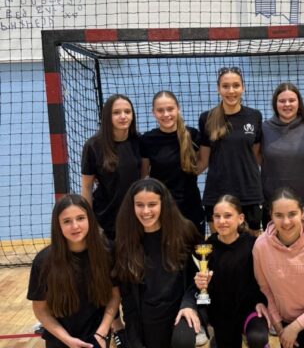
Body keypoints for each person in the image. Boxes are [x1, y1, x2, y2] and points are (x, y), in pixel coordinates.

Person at [113, 178, 201, 348]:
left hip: (179, 311)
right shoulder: (125, 243)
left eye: (152, 204)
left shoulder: (184, 231)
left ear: (163, 204)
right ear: (132, 206)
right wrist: (134, 340)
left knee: (182, 341)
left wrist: (189, 304)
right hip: (146, 317)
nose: (146, 211)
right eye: (140, 205)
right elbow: (128, 299)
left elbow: (198, 277)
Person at [27, 194, 120, 348]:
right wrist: (67, 340)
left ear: (90, 219)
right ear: (58, 225)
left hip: (97, 335)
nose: (75, 226)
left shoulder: (108, 251)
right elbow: (40, 309)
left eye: (80, 218)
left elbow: (114, 296)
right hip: (60, 339)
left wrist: (101, 333)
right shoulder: (43, 261)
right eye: (67, 221)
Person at [253, 187, 304, 348]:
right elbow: (265, 289)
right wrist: (279, 328)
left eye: (292, 214)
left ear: (302, 213)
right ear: (271, 215)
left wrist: (296, 327)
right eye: (279, 215)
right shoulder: (261, 246)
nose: (286, 222)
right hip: (286, 320)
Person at [194, 195, 270, 348]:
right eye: (217, 216)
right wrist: (200, 284)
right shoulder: (206, 248)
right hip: (221, 313)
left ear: (240, 218)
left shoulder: (254, 245)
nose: (221, 221)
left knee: (258, 337)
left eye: (227, 216)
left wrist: (262, 301)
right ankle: (218, 341)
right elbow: (202, 289)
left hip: (250, 309)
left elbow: (264, 280)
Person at [198, 67, 263, 234]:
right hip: (217, 192)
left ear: (243, 88)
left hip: (249, 192)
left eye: (236, 85)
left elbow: (255, 155)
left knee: (251, 246)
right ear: (218, 89)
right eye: (225, 86)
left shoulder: (254, 116)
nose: (231, 91)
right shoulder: (207, 118)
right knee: (219, 245)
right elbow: (203, 160)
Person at [140, 91, 205, 234]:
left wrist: (191, 171)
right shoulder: (147, 139)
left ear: (178, 109)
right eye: (160, 110)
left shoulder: (192, 135)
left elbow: (203, 161)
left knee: (196, 248)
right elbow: (144, 176)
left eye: (170, 109)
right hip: (162, 208)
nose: (166, 114)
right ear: (153, 113)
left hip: (191, 207)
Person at [260, 82, 304, 227]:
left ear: (299, 103)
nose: (287, 104)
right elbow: (256, 158)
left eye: (292, 100)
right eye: (282, 101)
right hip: (273, 204)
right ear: (275, 104)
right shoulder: (263, 128)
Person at [81, 94, 141, 241]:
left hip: (136, 219)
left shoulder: (139, 141)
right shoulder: (93, 146)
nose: (123, 116)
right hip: (106, 220)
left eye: (127, 112)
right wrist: (90, 221)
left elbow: (144, 179)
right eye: (116, 112)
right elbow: (87, 187)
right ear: (107, 116)